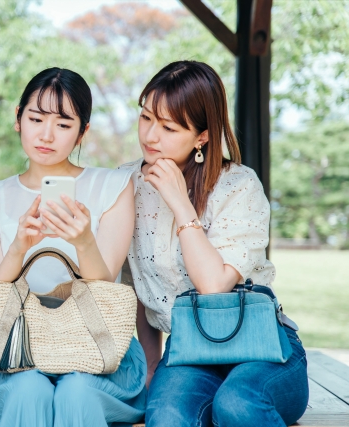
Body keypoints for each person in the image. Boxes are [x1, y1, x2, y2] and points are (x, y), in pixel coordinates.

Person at [120, 60, 309, 427]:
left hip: (264, 346)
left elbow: (213, 286)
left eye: (169, 127)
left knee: (237, 405)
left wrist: (180, 203)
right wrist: (152, 368)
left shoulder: (239, 185)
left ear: (202, 136)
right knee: (168, 417)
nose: (150, 136)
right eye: (146, 118)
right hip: (190, 350)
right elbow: (139, 289)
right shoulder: (124, 184)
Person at [0, 67, 147, 427]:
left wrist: (83, 241)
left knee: (76, 393)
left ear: (82, 132)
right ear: (18, 118)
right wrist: (19, 246)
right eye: (36, 118)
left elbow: (106, 291)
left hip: (98, 351)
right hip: (15, 355)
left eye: (63, 124)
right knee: (31, 390)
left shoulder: (113, 187)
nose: (47, 135)